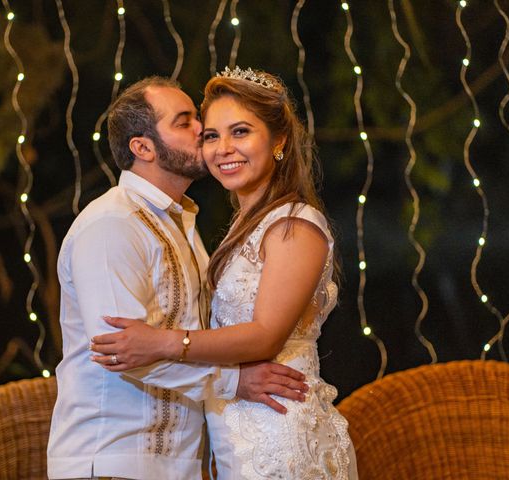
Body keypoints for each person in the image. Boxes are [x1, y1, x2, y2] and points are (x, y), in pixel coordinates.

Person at [90, 68, 359, 479]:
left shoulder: (294, 224)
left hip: (279, 434)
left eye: (240, 132)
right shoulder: (244, 224)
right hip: (237, 433)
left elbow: (266, 334)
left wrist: (161, 342)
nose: (222, 148)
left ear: (279, 140)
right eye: (212, 136)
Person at [47, 75, 310, 480]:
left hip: (178, 464)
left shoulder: (179, 222)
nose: (202, 132)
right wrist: (234, 382)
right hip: (115, 459)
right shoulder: (112, 224)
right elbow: (121, 351)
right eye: (185, 122)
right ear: (143, 147)